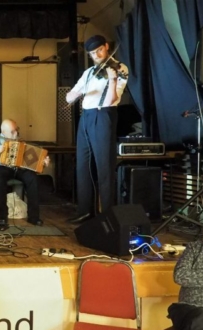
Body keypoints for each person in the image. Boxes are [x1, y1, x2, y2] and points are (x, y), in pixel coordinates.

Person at [65, 35, 129, 224]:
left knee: (104, 165)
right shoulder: (89, 72)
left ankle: (107, 214)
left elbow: (110, 100)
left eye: (99, 50)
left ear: (106, 46)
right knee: (83, 165)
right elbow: (69, 98)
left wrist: (112, 79)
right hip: (86, 117)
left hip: (103, 115)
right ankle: (85, 210)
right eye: (93, 53)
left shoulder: (120, 69)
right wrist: (75, 94)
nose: (97, 55)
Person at [0, 119, 48, 231]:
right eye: (12, 132)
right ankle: (2, 217)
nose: (15, 133)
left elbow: (31, 162)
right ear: (3, 131)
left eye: (16, 130)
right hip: (1, 168)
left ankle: (34, 217)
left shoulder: (20, 141)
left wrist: (42, 163)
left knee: (32, 178)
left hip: (18, 168)